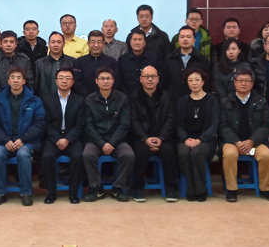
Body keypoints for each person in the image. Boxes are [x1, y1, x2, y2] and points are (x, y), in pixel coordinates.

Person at [219, 68, 269, 202]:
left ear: (252, 84)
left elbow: (266, 125)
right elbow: (222, 126)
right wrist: (237, 142)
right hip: (233, 143)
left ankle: (266, 189)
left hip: (255, 143)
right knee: (229, 154)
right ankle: (232, 190)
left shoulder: (261, 100)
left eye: (247, 80)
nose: (243, 83)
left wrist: (252, 141)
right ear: (234, 83)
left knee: (266, 155)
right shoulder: (225, 101)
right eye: (240, 80)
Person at [0, 67, 46, 206]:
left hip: (27, 141)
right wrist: (6, 140)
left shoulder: (35, 100)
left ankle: (26, 193)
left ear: (24, 81)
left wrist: (23, 139)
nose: (15, 81)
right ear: (8, 81)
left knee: (23, 154)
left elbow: (39, 124)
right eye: (13, 78)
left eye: (19, 78)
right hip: (5, 141)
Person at [82, 68, 134, 203]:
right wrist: (102, 143)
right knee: (87, 154)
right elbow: (88, 125)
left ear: (113, 80)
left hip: (117, 140)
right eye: (102, 79)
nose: (105, 81)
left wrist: (112, 143)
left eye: (108, 78)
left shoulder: (122, 98)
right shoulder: (89, 100)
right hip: (96, 140)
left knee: (128, 154)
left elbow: (125, 124)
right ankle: (96, 188)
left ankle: (118, 188)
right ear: (96, 81)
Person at [129, 66, 179, 203]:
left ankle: (171, 188)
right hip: (141, 138)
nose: (150, 79)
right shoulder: (133, 97)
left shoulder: (167, 96)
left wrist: (161, 138)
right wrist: (145, 139)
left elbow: (170, 119)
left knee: (169, 151)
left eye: (153, 76)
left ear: (158, 79)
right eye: (146, 76)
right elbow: (133, 121)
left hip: (163, 137)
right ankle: (138, 188)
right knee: (141, 151)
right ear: (141, 79)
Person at [40, 67, 85, 204]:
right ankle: (51, 193)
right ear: (56, 81)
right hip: (53, 138)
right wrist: (57, 139)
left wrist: (67, 139)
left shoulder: (79, 100)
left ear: (72, 82)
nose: (64, 81)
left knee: (78, 156)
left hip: (72, 138)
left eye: (67, 78)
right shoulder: (47, 99)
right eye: (61, 78)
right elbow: (46, 123)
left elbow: (80, 124)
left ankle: (73, 193)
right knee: (47, 156)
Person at [176, 68, 219, 202]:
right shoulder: (182, 101)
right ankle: (191, 187)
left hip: (206, 140)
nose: (194, 83)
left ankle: (200, 189)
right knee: (183, 153)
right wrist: (185, 139)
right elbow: (177, 125)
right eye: (190, 80)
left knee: (196, 153)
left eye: (197, 80)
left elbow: (214, 125)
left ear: (203, 82)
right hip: (186, 139)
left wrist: (200, 139)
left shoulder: (212, 100)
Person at [162, 26, 210, 109]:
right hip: (173, 102)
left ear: (194, 40)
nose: (185, 39)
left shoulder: (202, 59)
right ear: (178, 40)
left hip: (196, 102)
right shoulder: (169, 59)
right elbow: (165, 82)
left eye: (188, 37)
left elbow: (207, 83)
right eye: (182, 37)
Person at [73, 30, 120, 97]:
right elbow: (77, 83)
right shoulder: (79, 62)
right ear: (88, 44)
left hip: (108, 98)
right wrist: (90, 98)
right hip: (85, 99)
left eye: (99, 42)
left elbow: (115, 82)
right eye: (93, 42)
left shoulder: (111, 61)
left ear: (103, 44)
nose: (96, 45)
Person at [118, 30, 161, 94]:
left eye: (140, 40)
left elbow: (160, 79)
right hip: (127, 97)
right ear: (130, 42)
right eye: (134, 39)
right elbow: (119, 81)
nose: (137, 42)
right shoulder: (122, 59)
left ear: (145, 43)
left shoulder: (153, 59)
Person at [34, 32, 75, 97]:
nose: (56, 45)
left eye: (59, 42)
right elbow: (36, 86)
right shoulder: (39, 64)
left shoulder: (73, 62)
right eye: (53, 42)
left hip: (68, 100)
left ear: (64, 44)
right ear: (49, 44)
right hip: (45, 100)